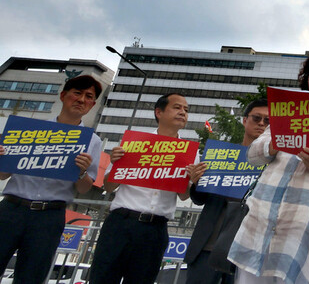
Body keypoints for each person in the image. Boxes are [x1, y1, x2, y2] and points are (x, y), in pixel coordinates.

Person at [229, 51, 309, 284]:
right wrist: (275, 143)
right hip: (260, 217)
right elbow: (252, 155)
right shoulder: (285, 112)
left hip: (302, 225)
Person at [89, 93, 206, 284]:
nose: (183, 113)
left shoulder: (190, 153)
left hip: (155, 230)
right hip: (121, 224)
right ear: (158, 112)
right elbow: (108, 186)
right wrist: (116, 164)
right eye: (177, 107)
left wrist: (194, 181)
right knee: (102, 278)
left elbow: (184, 196)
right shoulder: (134, 143)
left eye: (186, 110)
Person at [0, 75, 104, 284]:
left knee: (32, 276)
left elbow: (84, 189)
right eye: (77, 93)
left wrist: (82, 172)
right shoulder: (29, 130)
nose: (81, 99)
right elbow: (3, 174)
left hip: (49, 216)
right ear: (63, 95)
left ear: (92, 105)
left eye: (88, 96)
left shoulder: (92, 141)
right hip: (11, 209)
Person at [184, 99, 270, 284]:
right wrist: (197, 181)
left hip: (248, 251)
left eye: (268, 121)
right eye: (257, 118)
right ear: (245, 120)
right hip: (208, 246)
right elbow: (200, 199)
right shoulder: (220, 155)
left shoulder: (275, 165)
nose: (262, 123)